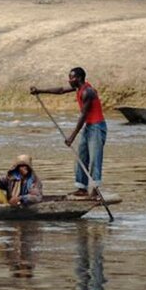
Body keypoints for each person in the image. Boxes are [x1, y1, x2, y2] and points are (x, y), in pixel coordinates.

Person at [31, 67, 107, 197]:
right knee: (81, 157)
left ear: (78, 78)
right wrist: (40, 91)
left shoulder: (87, 92)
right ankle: (82, 188)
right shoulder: (78, 88)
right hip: (89, 126)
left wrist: (72, 137)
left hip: (97, 128)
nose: (69, 80)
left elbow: (83, 116)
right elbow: (60, 90)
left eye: (71, 77)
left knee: (95, 159)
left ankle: (95, 190)